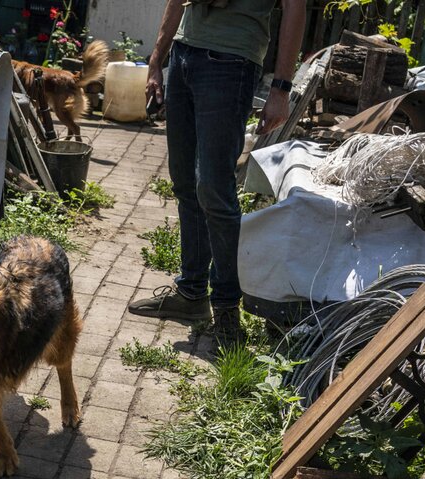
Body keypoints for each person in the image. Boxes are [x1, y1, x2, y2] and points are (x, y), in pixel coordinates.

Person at [129, 0, 305, 351]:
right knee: (184, 182)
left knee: (213, 187)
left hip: (231, 62)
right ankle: (192, 292)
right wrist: (156, 60)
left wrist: (281, 88)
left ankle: (226, 306)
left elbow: (295, 8)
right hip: (183, 55)